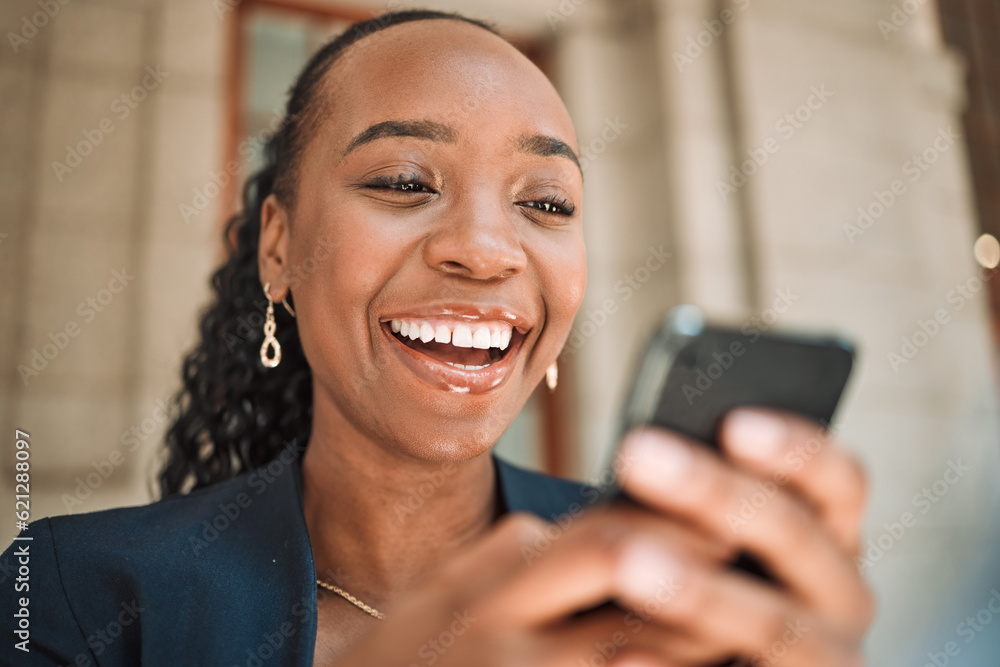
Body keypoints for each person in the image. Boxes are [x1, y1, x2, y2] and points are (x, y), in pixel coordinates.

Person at [1, 9, 873, 666]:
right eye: (402, 180)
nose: (488, 250)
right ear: (278, 247)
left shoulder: (652, 582)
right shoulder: (68, 591)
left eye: (546, 203)